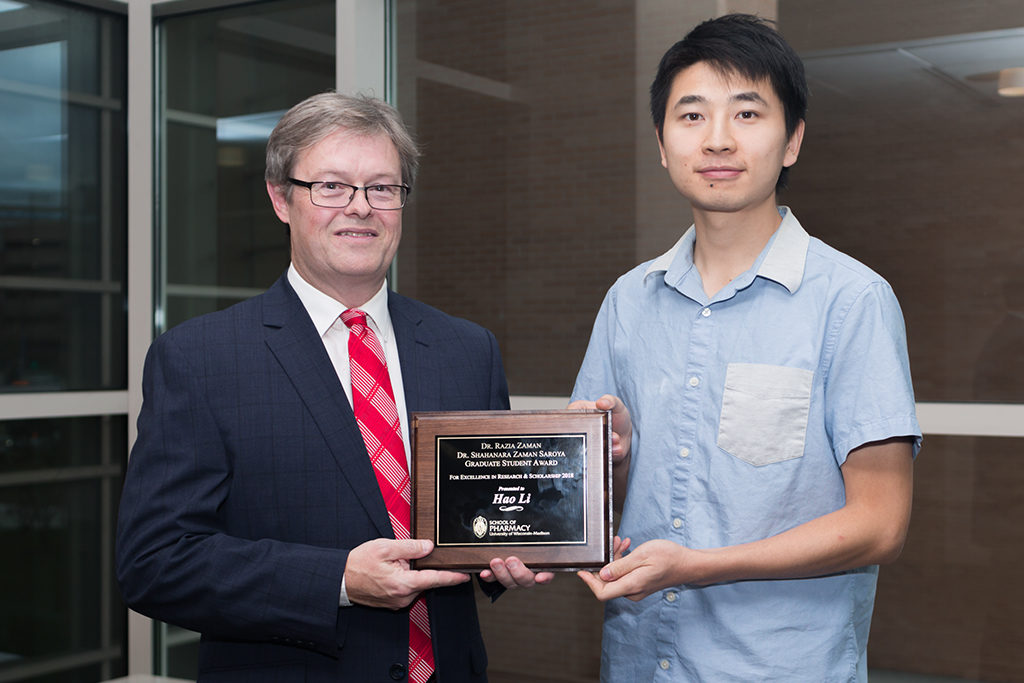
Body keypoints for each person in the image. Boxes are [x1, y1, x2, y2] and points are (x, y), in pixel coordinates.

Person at [116, 92, 551, 683]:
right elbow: (156, 562)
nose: (360, 208)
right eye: (331, 186)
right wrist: (339, 581)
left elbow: (485, 519)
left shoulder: (467, 348)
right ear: (280, 199)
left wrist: (509, 555)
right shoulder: (199, 357)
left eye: (382, 188)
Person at [570, 14, 921, 682]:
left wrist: (698, 566)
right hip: (641, 662)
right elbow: (598, 506)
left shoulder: (852, 300)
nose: (719, 140)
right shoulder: (629, 300)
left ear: (792, 141)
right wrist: (610, 460)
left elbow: (881, 524)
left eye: (748, 113)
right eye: (692, 115)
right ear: (663, 144)